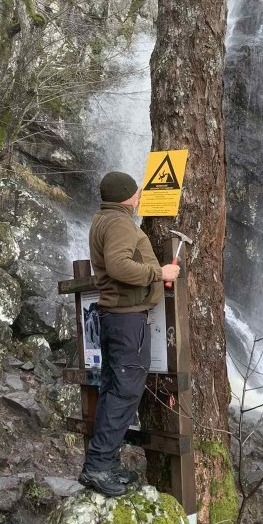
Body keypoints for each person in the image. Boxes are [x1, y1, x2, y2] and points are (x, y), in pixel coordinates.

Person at [78, 171, 180, 496]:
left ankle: (104, 463)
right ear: (126, 195)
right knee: (124, 393)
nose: (138, 197)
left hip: (115, 318)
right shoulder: (120, 223)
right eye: (135, 193)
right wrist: (158, 272)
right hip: (126, 320)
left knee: (112, 390)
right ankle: (98, 467)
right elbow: (120, 265)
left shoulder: (103, 219)